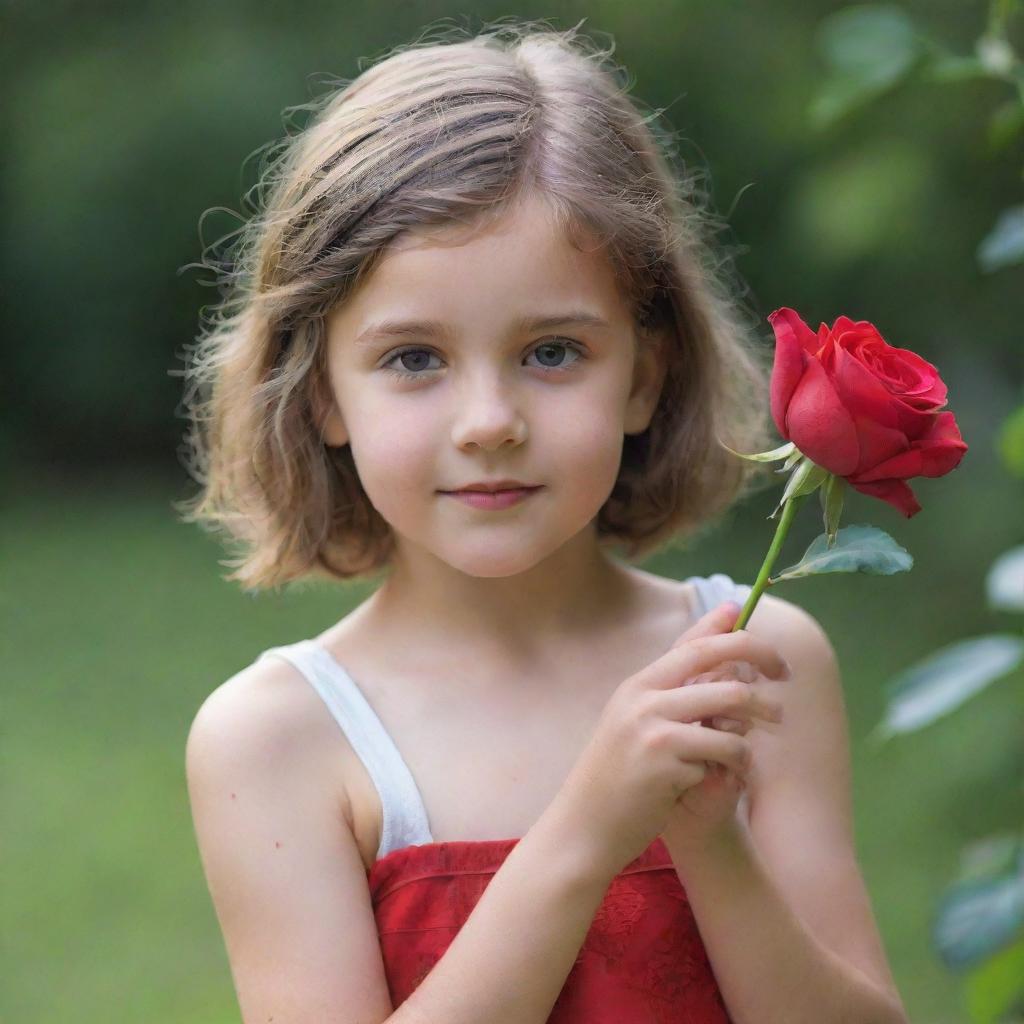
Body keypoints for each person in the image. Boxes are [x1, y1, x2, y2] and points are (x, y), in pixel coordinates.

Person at [178, 19, 910, 1024]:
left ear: (644, 379)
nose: (489, 424)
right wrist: (588, 830)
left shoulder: (749, 661)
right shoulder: (277, 739)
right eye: (413, 359)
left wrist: (709, 840)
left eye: (553, 352)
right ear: (321, 399)